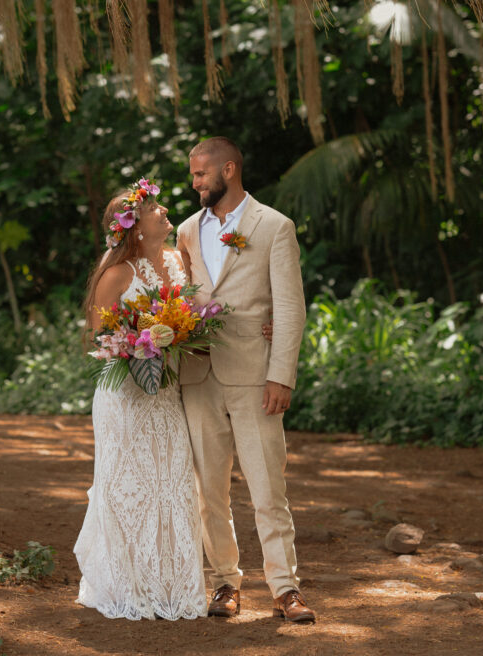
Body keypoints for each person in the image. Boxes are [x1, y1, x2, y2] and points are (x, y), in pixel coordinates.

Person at [177, 137, 316, 624]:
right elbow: (182, 298)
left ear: (228, 170)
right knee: (208, 491)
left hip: (255, 376)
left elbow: (291, 307)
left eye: (200, 174)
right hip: (197, 374)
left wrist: (282, 374)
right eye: (193, 175)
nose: (194, 183)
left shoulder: (274, 226)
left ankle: (285, 587)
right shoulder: (187, 230)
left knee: (266, 487)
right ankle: (224, 583)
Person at [73, 182, 208, 620]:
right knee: (128, 483)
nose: (164, 210)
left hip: (167, 393)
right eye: (153, 207)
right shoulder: (117, 274)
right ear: (132, 227)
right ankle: (126, 583)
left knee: (171, 482)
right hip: (126, 396)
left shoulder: (178, 259)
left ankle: (170, 584)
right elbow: (99, 332)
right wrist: (139, 341)